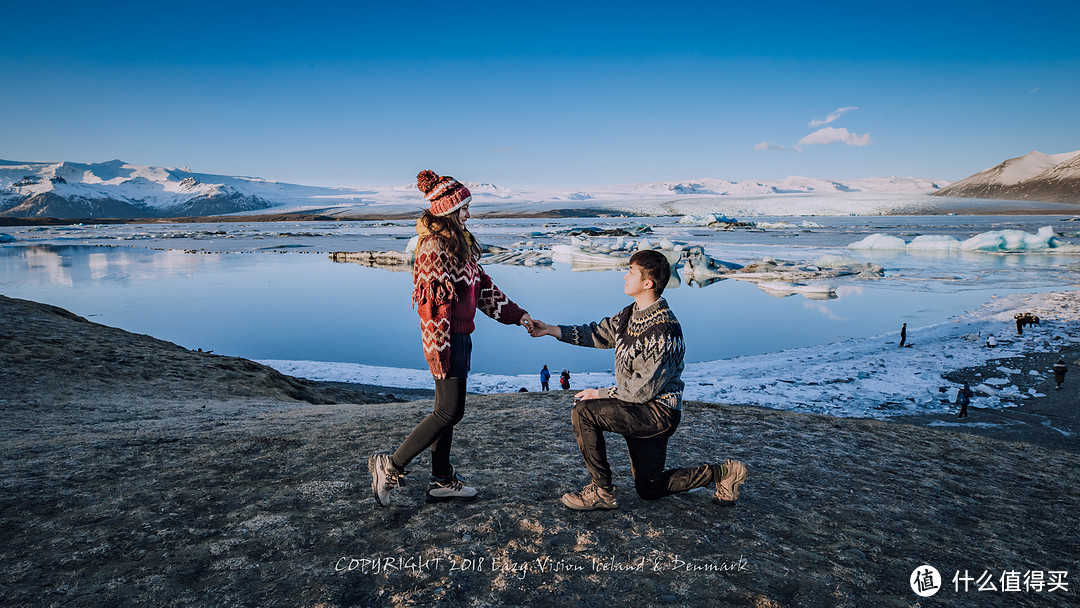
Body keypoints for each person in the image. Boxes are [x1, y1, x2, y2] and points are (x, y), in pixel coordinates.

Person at [529, 250, 747, 511]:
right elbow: (598, 334)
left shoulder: (665, 330)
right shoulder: (629, 315)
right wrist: (552, 330)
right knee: (649, 488)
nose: (625, 276)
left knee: (584, 411)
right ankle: (724, 473)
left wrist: (600, 393)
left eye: (631, 272)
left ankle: (602, 491)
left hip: (658, 412)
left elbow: (642, 389)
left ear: (648, 283)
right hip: (639, 409)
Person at [369, 170, 534, 507]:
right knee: (449, 411)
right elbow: (431, 306)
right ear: (447, 210)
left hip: (460, 338)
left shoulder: (460, 243)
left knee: (447, 410)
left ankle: (441, 479)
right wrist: (438, 350)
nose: (468, 214)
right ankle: (391, 466)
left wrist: (518, 316)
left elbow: (483, 287)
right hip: (445, 341)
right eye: (464, 208)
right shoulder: (433, 247)